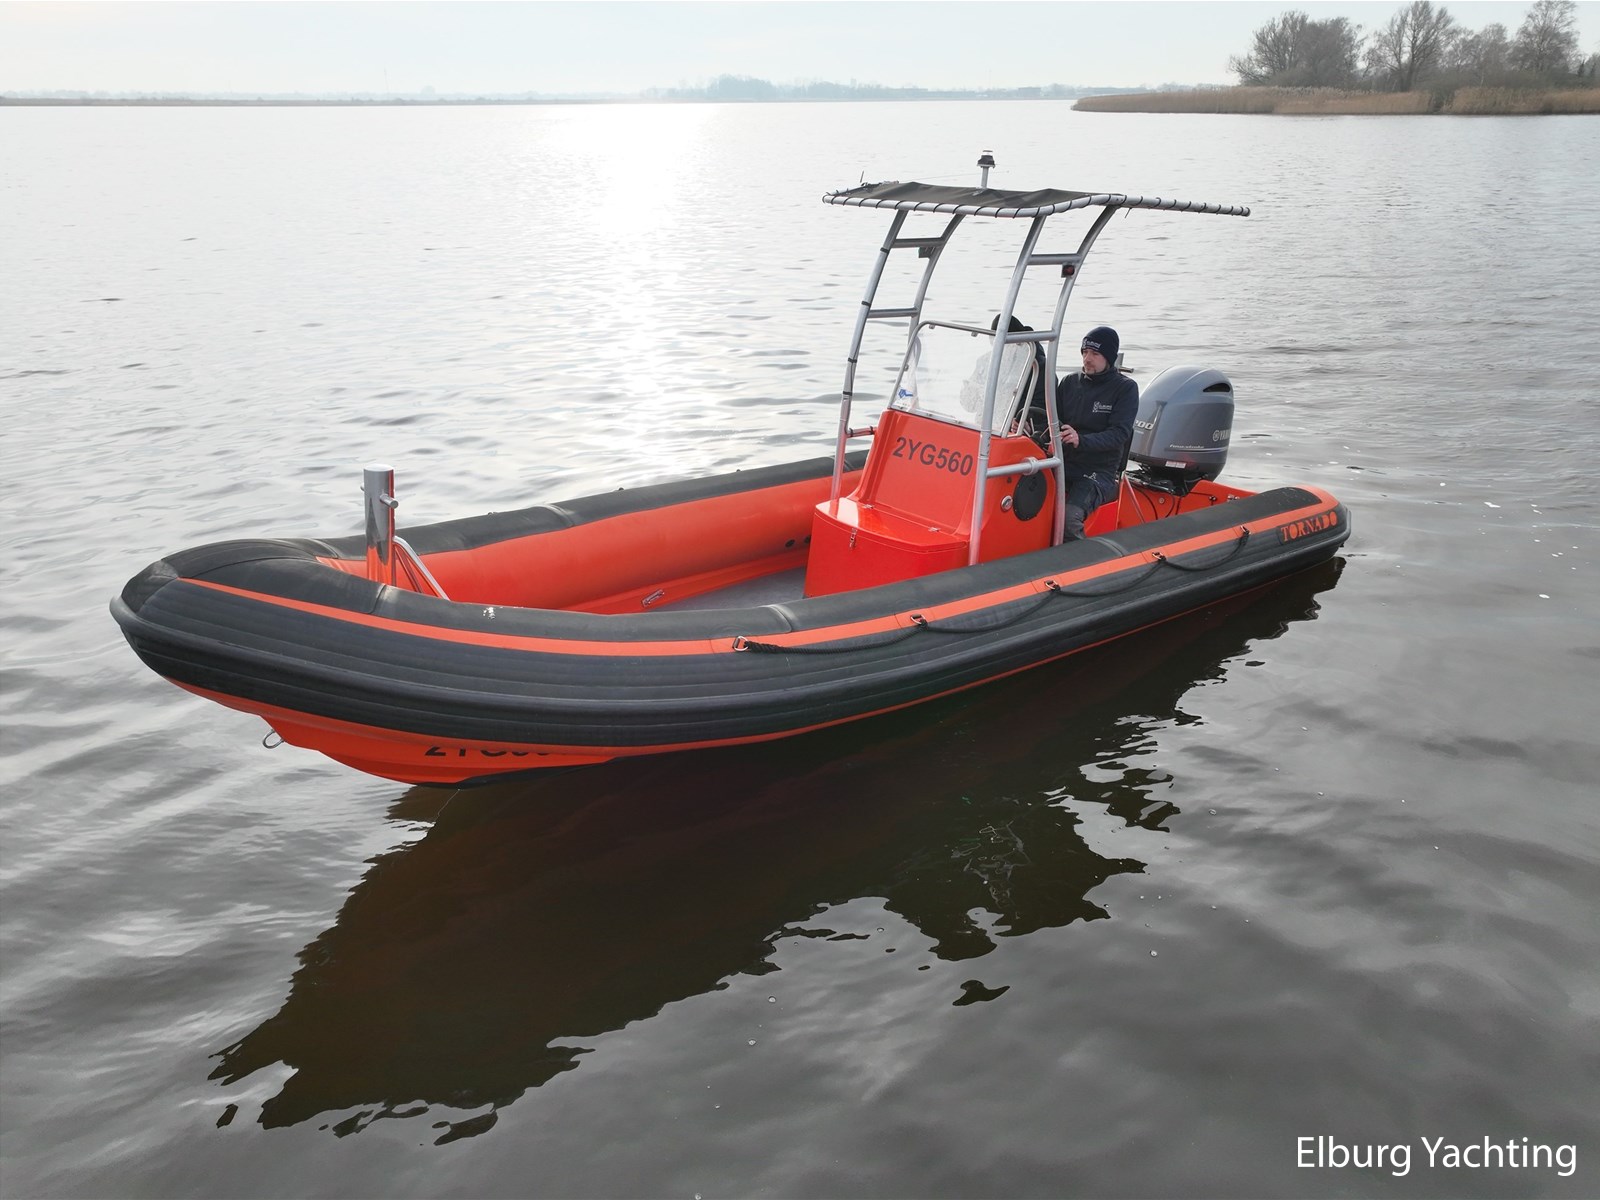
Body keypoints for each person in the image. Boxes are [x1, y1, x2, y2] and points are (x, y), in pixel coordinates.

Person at [1055, 325, 1138, 540]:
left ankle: (1079, 559)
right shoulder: (1069, 383)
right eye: (1084, 352)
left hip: (1098, 471)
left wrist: (1080, 440)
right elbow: (1053, 421)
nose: (1087, 358)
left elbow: (1119, 434)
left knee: (1069, 519)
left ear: (1108, 357)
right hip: (1063, 463)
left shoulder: (1125, 388)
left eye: (1095, 353)